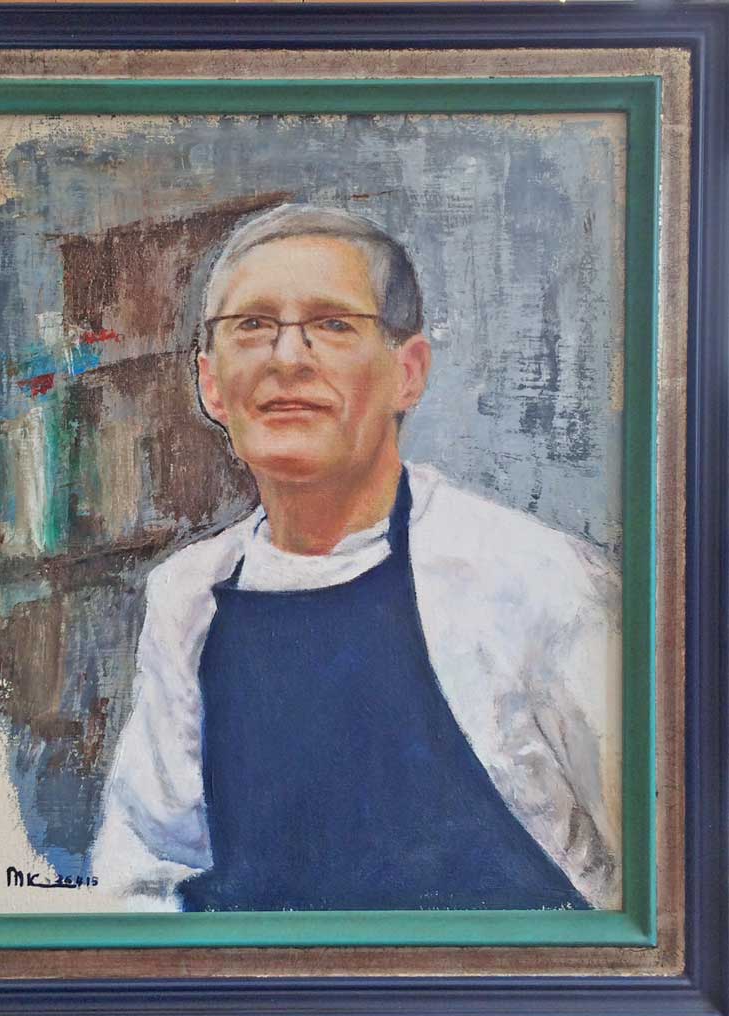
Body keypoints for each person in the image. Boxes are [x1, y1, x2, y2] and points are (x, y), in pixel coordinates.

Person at [90, 204, 622, 913]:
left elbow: (662, 882)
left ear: (409, 372)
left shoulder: (540, 584)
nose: (287, 358)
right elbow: (141, 878)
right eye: (252, 325)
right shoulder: (186, 597)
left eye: (333, 324)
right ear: (211, 384)